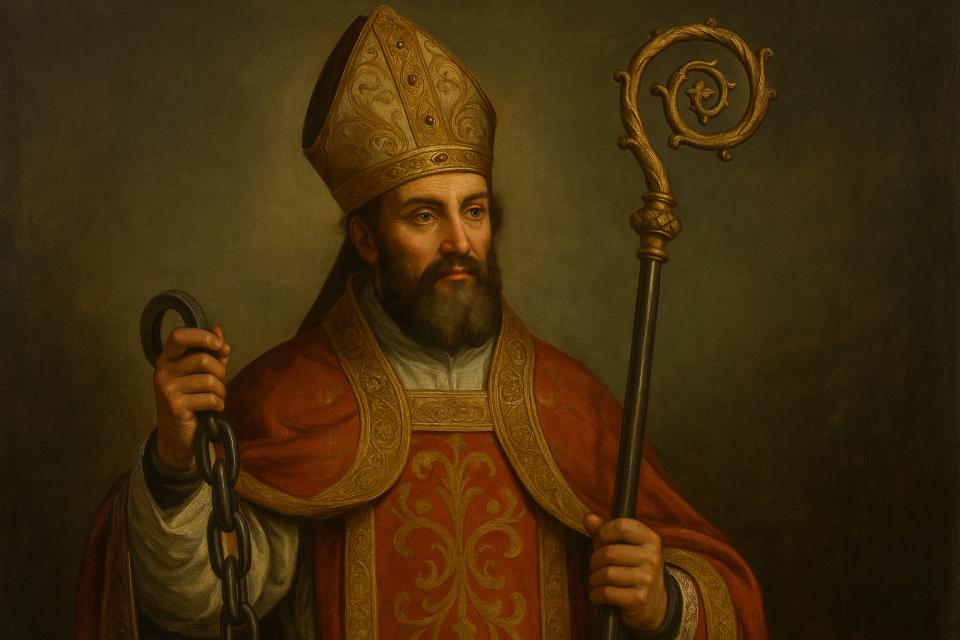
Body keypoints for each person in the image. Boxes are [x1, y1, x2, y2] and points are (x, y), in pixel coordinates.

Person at [76, 5, 767, 639]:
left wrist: (661, 602)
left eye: (474, 211)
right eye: (424, 215)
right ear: (366, 240)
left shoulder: (569, 405)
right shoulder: (290, 401)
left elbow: (721, 595)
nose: (459, 242)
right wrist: (175, 465)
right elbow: (199, 601)